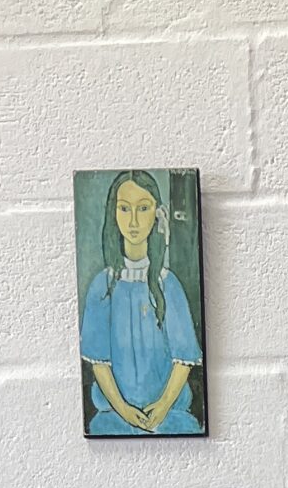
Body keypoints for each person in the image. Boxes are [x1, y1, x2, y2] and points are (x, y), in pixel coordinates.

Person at [80, 171, 202, 436]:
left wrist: (161, 407)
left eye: (143, 208)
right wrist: (125, 410)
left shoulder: (168, 285)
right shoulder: (102, 287)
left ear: (157, 214)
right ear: (114, 213)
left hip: (171, 417)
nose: (133, 221)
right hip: (113, 418)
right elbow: (99, 361)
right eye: (124, 209)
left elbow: (184, 359)